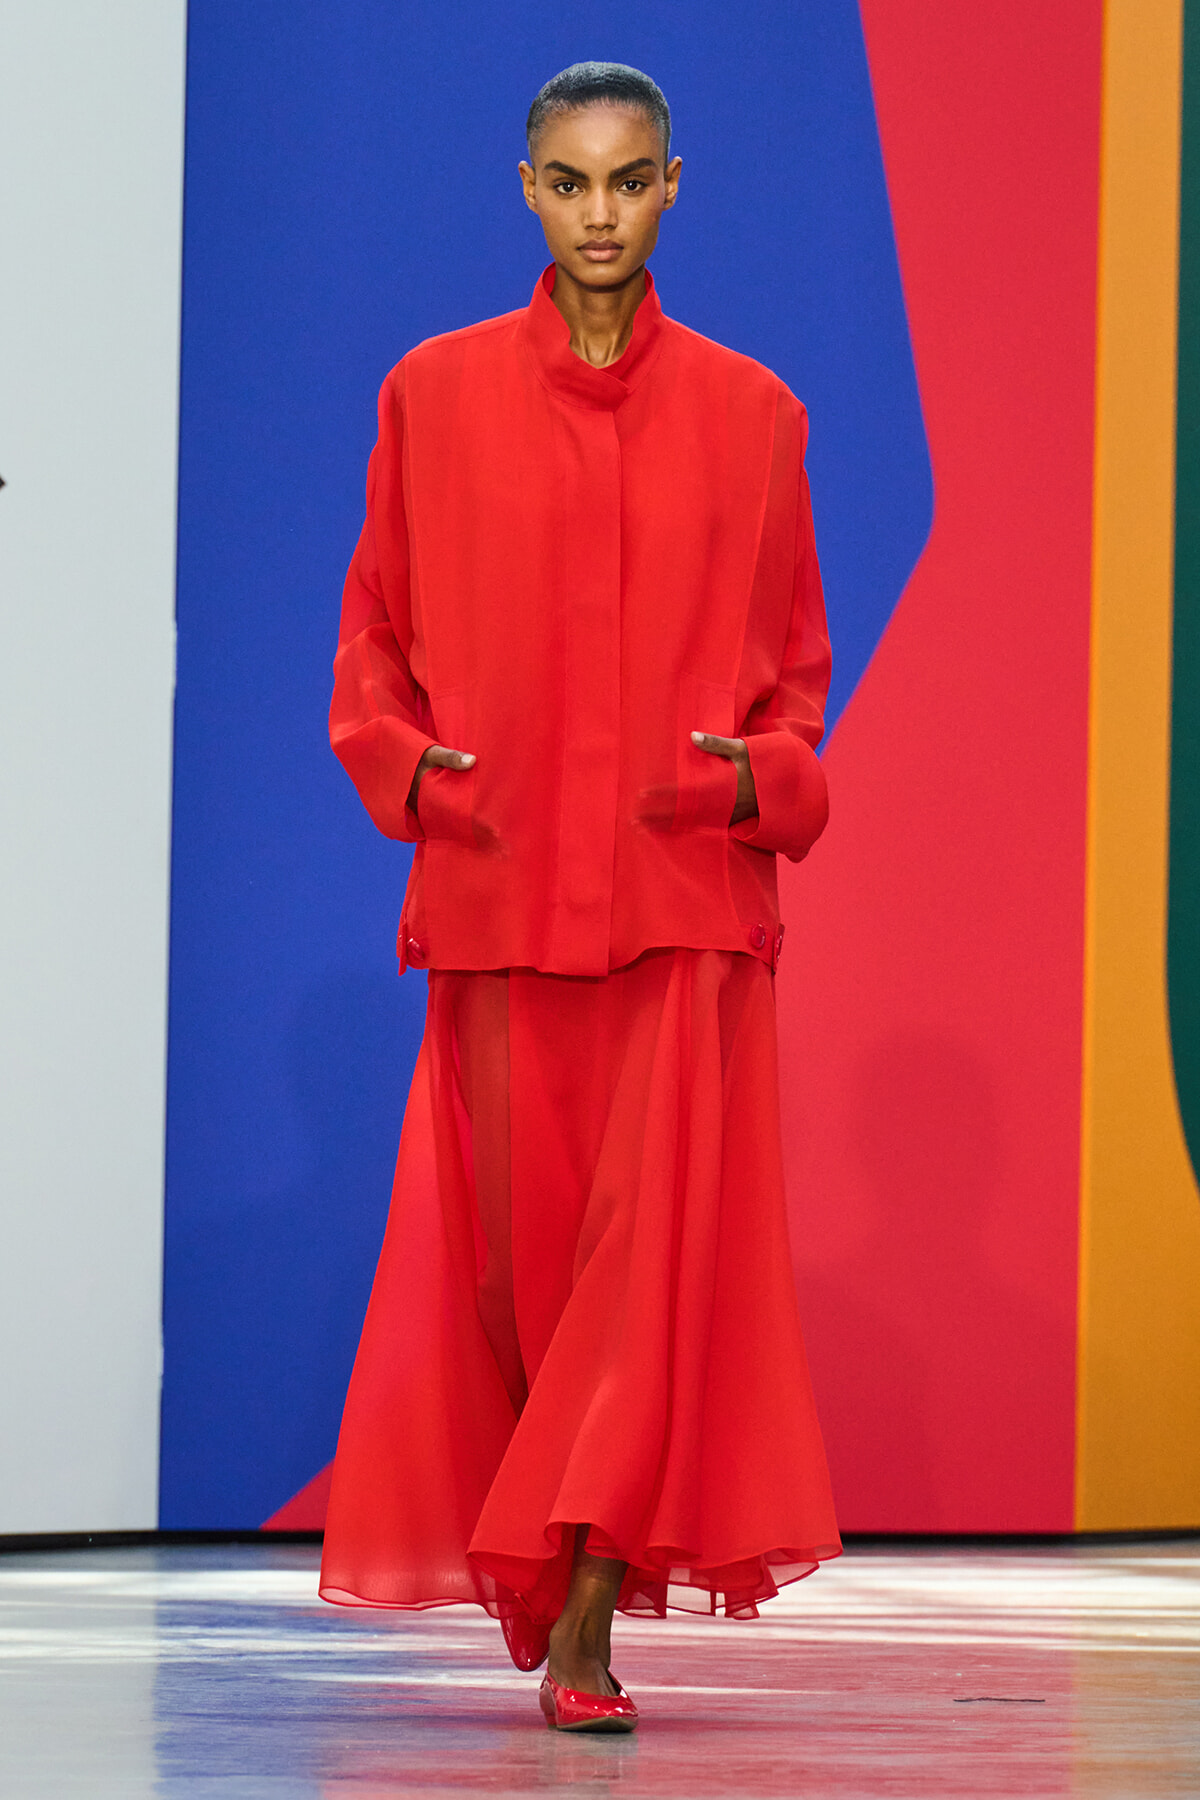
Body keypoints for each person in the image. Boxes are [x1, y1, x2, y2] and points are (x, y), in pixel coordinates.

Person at [319, 61, 840, 1734]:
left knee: (643, 1277)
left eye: (628, 181)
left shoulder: (757, 415)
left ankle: (590, 1622)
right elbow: (371, 645)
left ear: (674, 186)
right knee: (518, 1287)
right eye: (568, 182)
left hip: (683, 910)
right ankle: (549, 1571)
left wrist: (750, 780)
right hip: (497, 900)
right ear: (526, 189)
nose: (599, 212)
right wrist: (422, 772)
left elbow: (797, 684)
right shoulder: (433, 393)